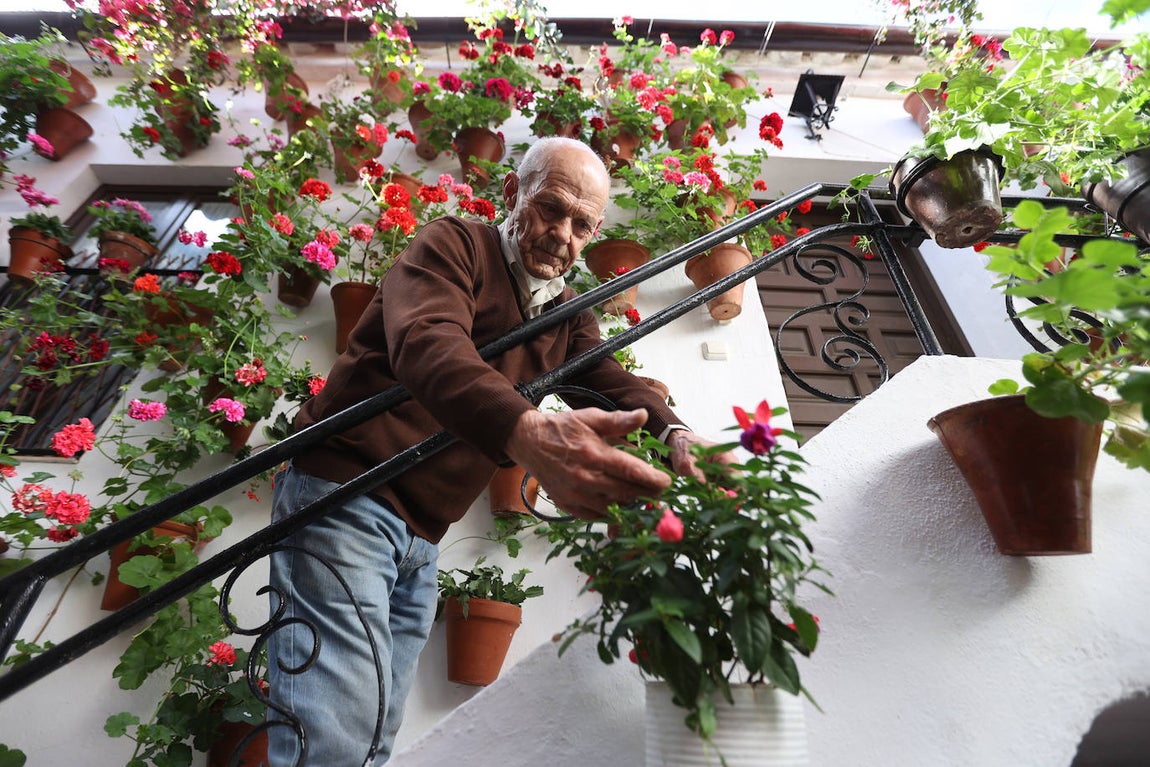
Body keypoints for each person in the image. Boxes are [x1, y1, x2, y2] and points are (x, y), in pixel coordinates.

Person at [267, 137, 727, 765]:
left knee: (373, 737)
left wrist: (676, 433)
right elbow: (430, 344)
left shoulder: (565, 311)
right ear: (513, 195)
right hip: (348, 494)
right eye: (550, 209)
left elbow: (606, 377)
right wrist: (527, 429)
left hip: (421, 537)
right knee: (334, 738)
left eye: (582, 224)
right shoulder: (454, 245)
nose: (562, 234)